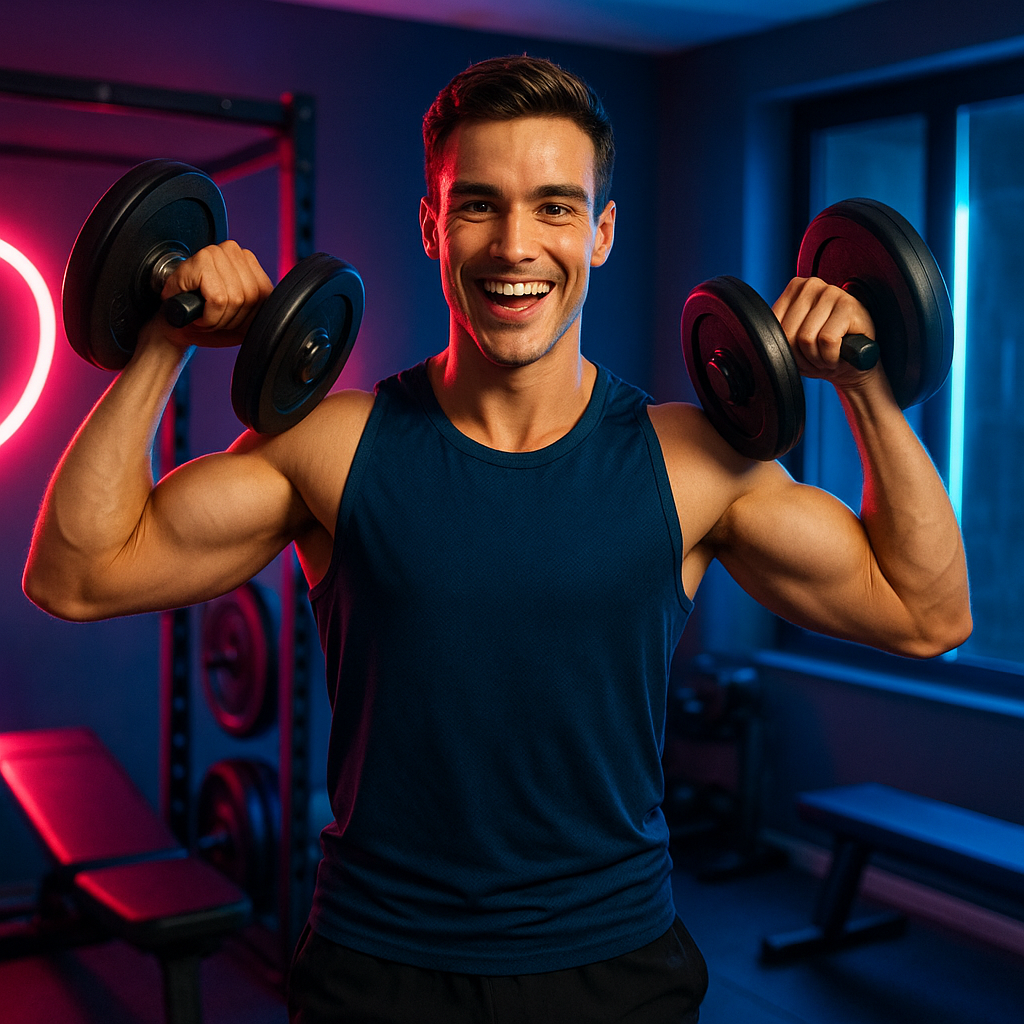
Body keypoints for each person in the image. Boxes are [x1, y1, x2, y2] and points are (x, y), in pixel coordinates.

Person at [24, 55, 970, 1023]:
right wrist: (163, 340)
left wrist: (863, 382)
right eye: (478, 205)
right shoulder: (333, 446)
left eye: (556, 207)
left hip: (614, 974)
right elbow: (77, 572)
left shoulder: (688, 464)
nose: (515, 245)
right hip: (376, 972)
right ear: (432, 225)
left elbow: (925, 611)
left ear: (601, 232)